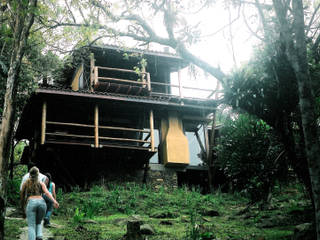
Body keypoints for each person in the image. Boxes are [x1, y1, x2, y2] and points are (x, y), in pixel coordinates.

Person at [20, 167, 59, 240]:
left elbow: (22, 195)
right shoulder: (41, 183)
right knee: (39, 222)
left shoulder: (26, 183)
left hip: (31, 202)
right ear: (38, 174)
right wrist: (55, 201)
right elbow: (47, 193)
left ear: (29, 174)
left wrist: (22, 207)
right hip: (42, 203)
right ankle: (39, 236)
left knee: (31, 226)